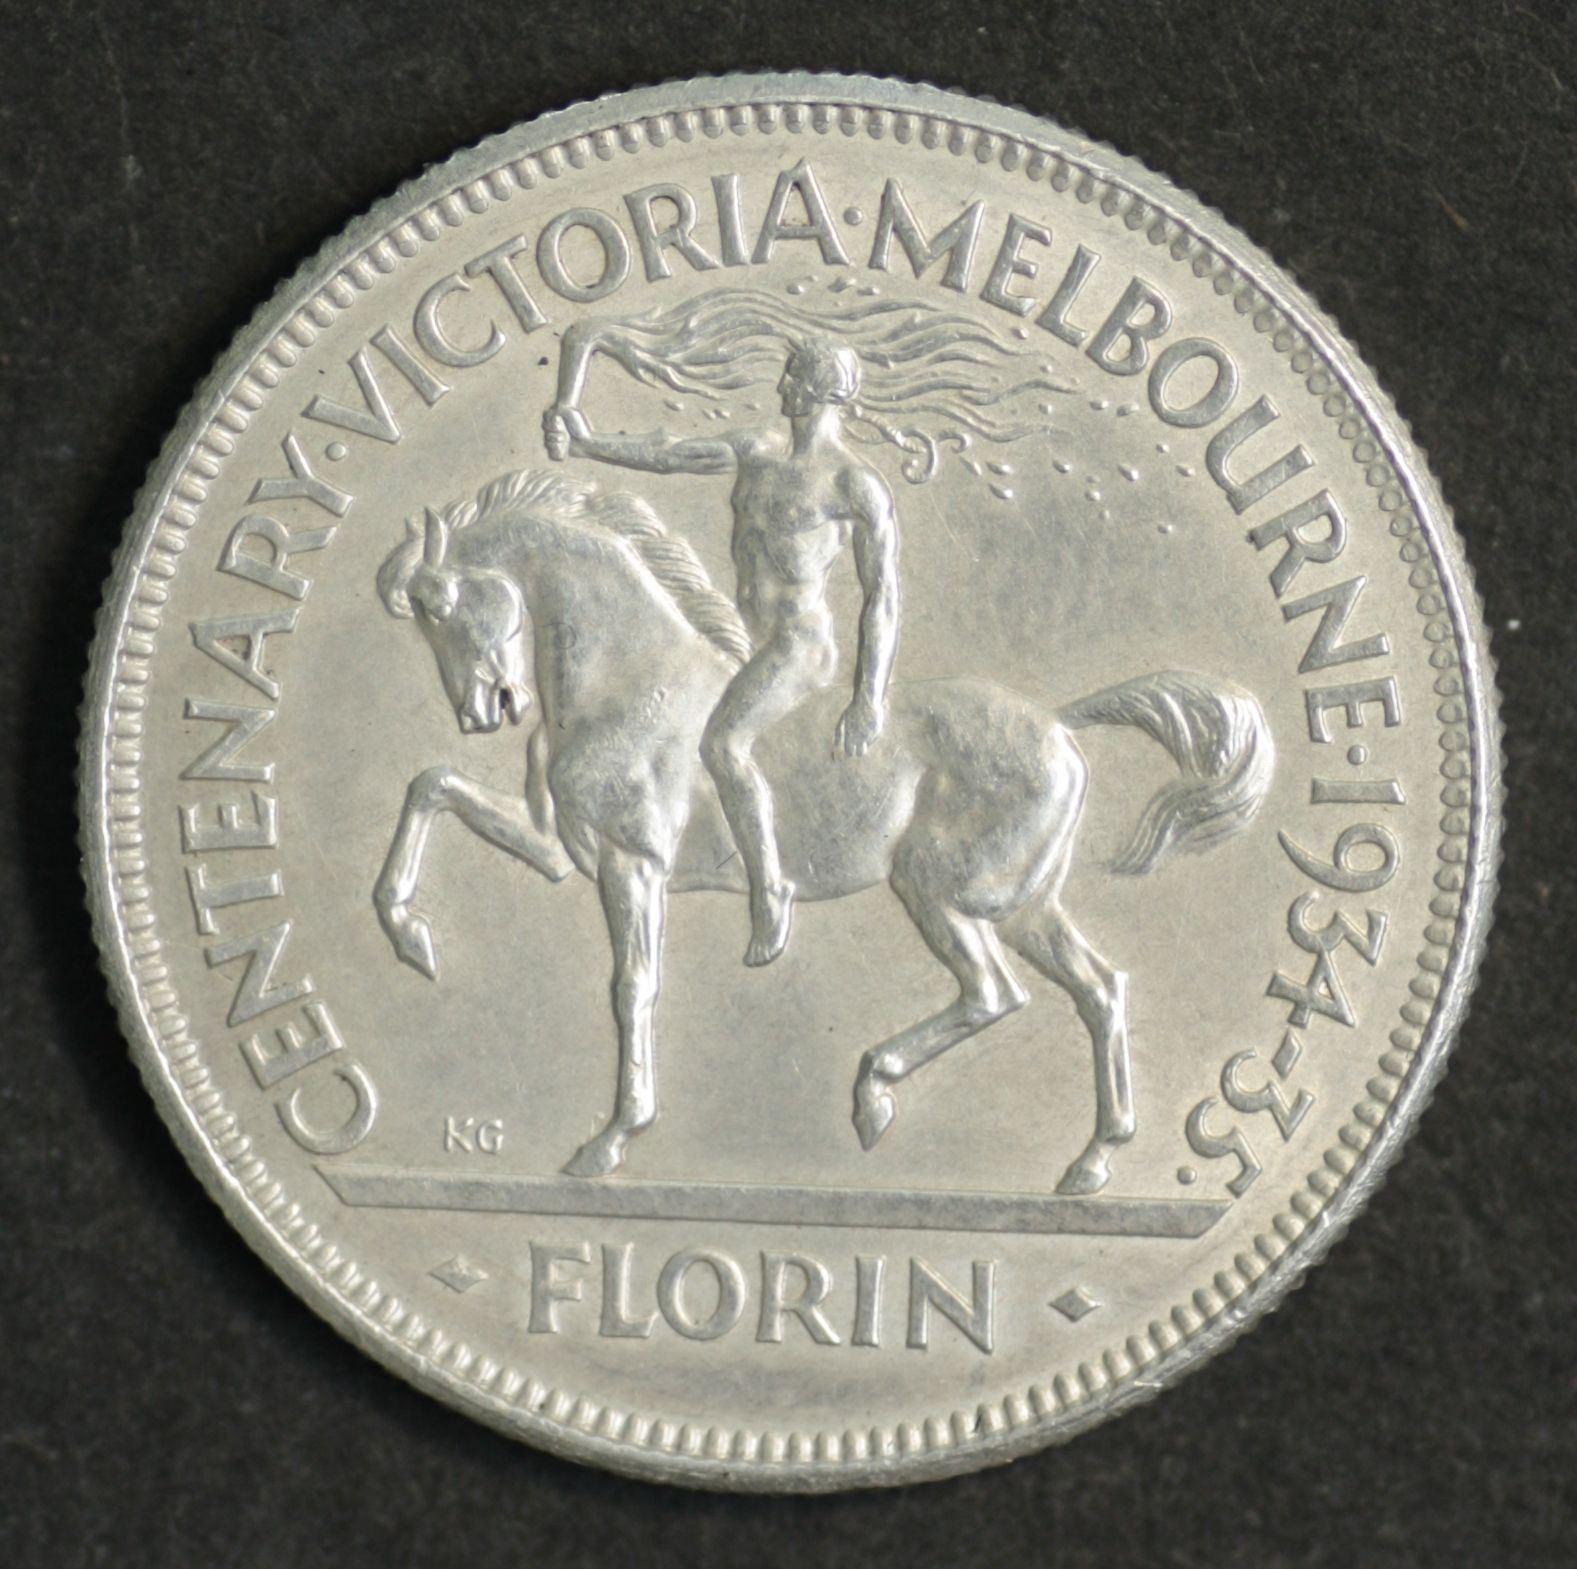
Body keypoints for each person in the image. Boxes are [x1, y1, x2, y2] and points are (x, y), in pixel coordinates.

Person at [543, 337, 899, 966]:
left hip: (797, 648)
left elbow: (883, 596)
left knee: (723, 745)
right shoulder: (756, 450)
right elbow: (669, 457)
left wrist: (869, 695)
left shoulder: (854, 485)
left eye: (794, 377)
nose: (782, 385)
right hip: (737, 640)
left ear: (824, 392)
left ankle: (770, 888)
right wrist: (589, 443)